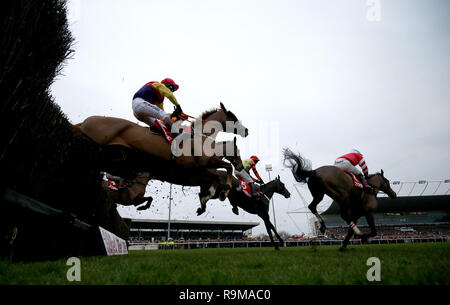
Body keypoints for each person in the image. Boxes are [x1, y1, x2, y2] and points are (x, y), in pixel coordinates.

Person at [132, 78, 183, 142]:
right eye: (172, 87)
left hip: (139, 111)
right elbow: (169, 94)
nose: (172, 90)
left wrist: (173, 114)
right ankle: (178, 135)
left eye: (173, 90)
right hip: (140, 103)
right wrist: (177, 105)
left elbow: (161, 112)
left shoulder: (159, 99)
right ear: (166, 84)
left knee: (161, 126)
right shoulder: (158, 84)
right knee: (164, 116)